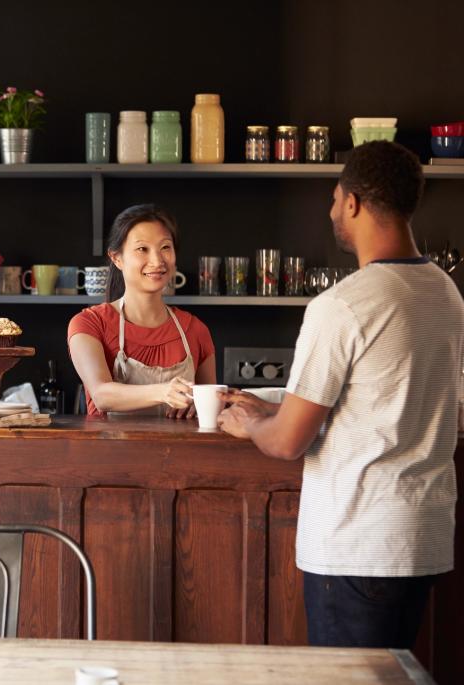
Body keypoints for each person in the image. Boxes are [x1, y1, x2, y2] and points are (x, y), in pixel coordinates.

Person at [218, 141, 464, 649]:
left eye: (334, 199)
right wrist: (276, 407)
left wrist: (250, 425)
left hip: (357, 542)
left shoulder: (343, 305)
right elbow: (390, 403)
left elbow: (287, 444)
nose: (331, 211)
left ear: (353, 202)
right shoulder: (446, 293)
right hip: (424, 537)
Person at [67, 204, 216, 418]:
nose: (157, 261)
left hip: (181, 451)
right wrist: (163, 391)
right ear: (117, 258)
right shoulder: (89, 324)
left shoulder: (196, 330)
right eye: (142, 249)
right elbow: (101, 394)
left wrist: (200, 407)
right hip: (109, 451)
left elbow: (210, 408)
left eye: (165, 247)